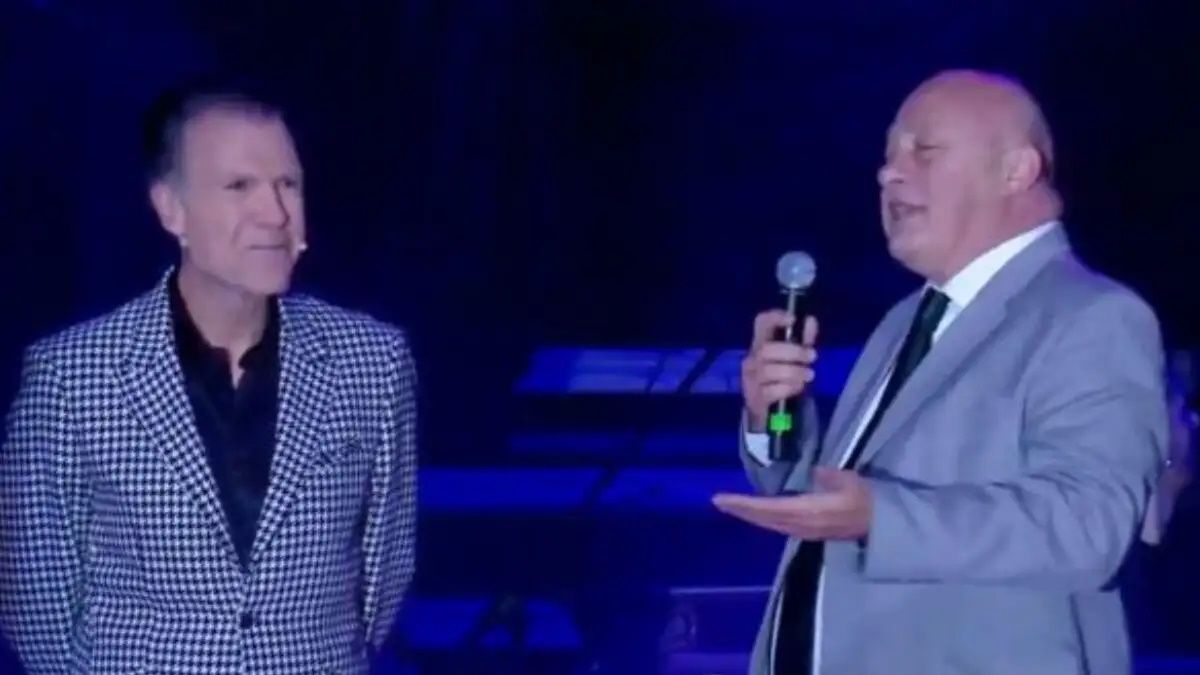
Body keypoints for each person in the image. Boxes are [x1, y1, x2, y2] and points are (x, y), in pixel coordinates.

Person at [713, 69, 1168, 674]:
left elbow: (1087, 526)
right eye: (887, 155)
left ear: (1016, 170)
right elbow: (830, 497)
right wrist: (773, 420)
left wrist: (880, 517)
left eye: (923, 150)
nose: (888, 173)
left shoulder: (1091, 316)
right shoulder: (906, 320)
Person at [0, 77, 418, 674]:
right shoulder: (73, 375)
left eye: (288, 184)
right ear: (171, 209)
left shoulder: (372, 362)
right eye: (239, 186)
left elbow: (383, 575)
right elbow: (35, 599)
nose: (276, 214)